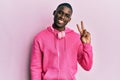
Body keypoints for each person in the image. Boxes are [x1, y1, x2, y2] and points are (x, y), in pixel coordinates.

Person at [30, 3, 93, 80]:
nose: (62, 17)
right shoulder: (40, 37)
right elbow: (36, 67)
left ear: (69, 19)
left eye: (67, 15)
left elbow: (87, 66)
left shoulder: (76, 38)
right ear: (54, 12)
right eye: (60, 12)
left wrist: (86, 45)